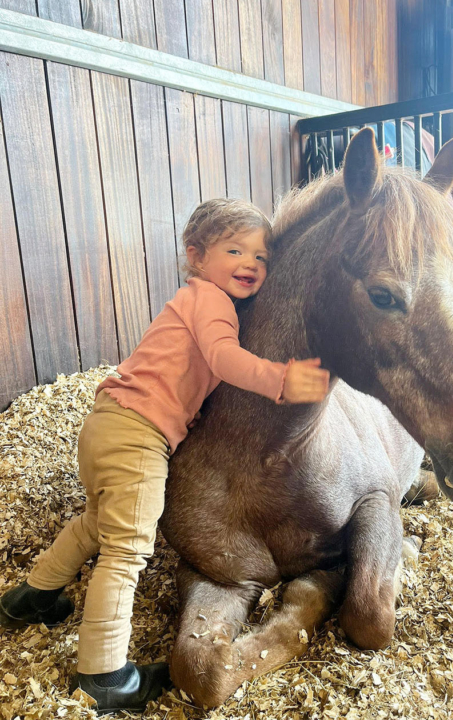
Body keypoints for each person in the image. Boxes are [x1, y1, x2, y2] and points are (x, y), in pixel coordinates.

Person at [0, 198, 331, 712]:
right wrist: (281, 380)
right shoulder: (212, 302)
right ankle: (103, 676)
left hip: (108, 422)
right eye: (235, 249)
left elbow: (190, 373)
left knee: (97, 523)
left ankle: (33, 597)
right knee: (127, 551)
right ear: (197, 256)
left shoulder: (193, 298)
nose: (251, 263)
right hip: (137, 435)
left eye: (262, 257)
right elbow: (224, 358)